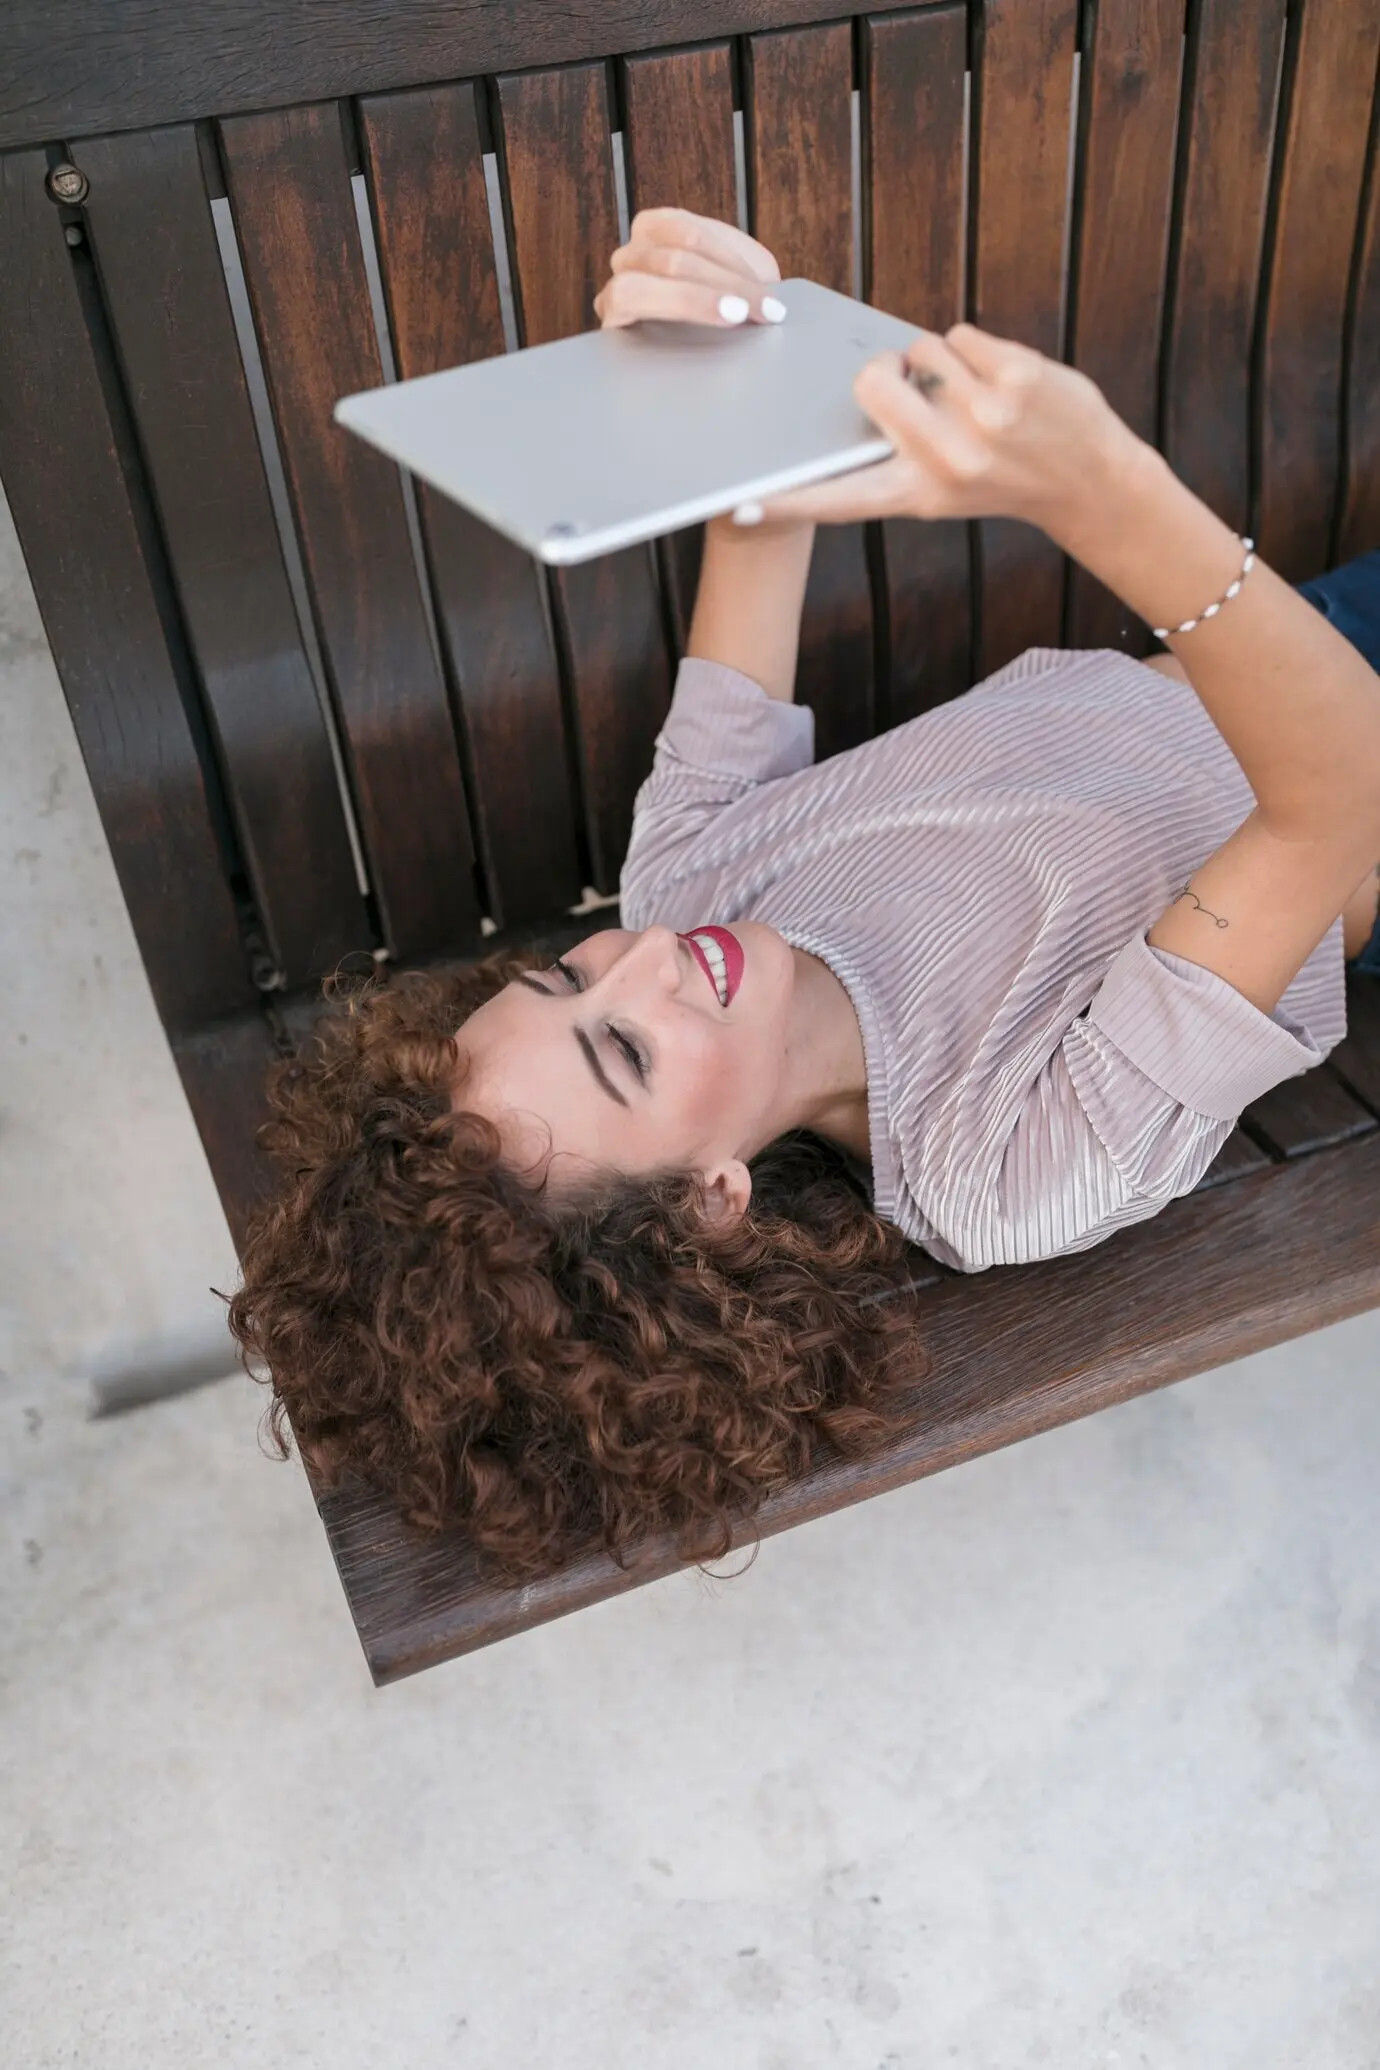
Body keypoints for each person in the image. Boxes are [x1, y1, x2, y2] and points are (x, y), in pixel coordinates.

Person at [227, 210, 1380, 1584]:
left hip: (1287, 636)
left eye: (564, 973)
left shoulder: (687, 876)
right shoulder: (1001, 1165)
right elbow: (1341, 793)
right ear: (710, 1202)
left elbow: (761, 506)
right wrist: (1102, 495)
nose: (644, 957)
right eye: (625, 1047)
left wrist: (718, 340)